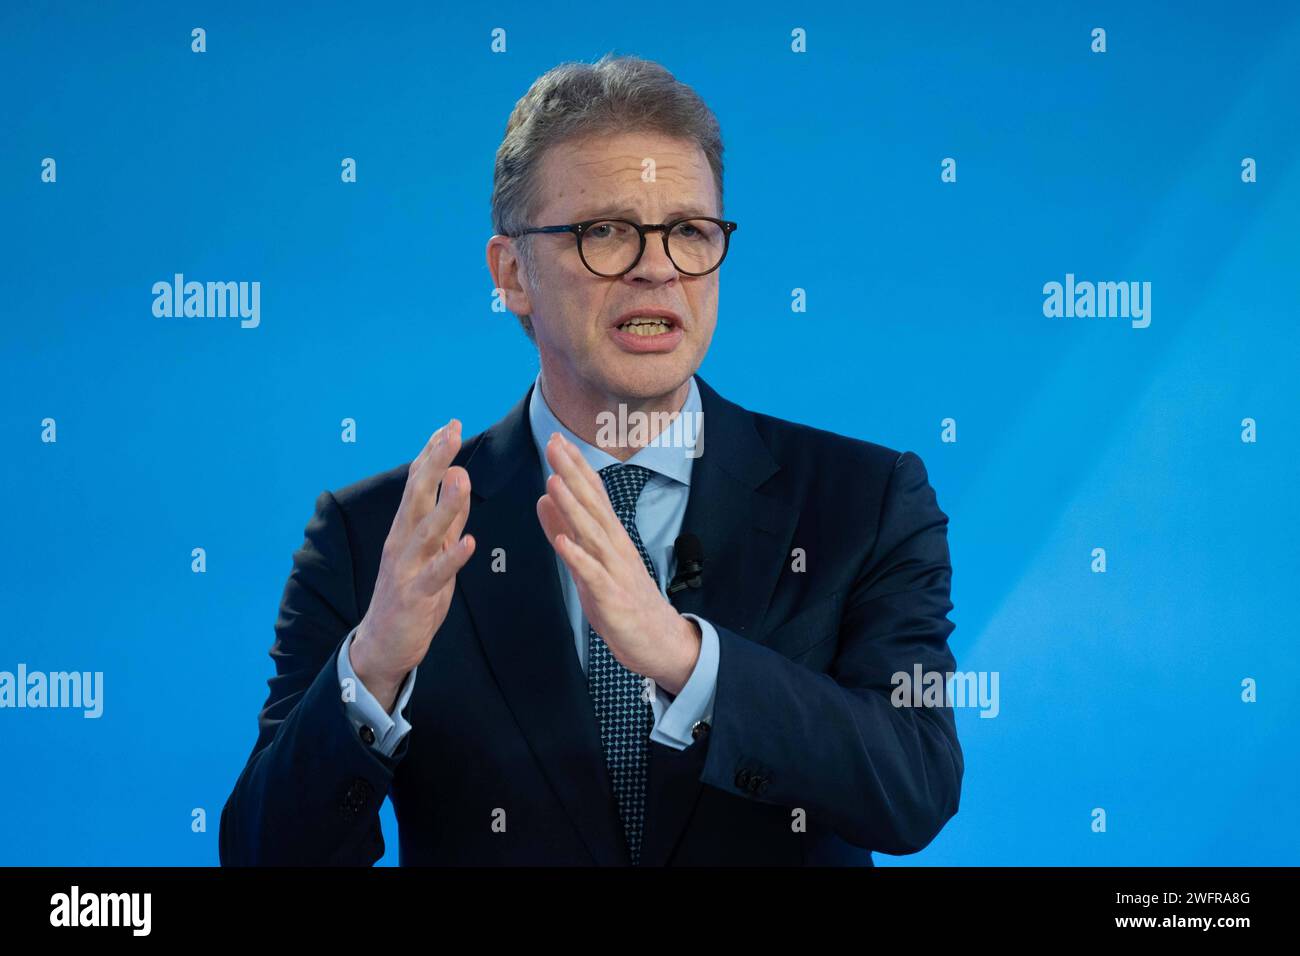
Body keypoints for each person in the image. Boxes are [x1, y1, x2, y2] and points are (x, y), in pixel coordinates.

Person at [219, 53, 963, 866]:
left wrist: (686, 659)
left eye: (689, 231)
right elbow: (263, 855)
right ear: (512, 275)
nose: (656, 266)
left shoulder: (863, 500)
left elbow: (915, 786)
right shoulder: (377, 536)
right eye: (604, 231)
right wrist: (373, 668)